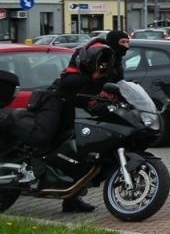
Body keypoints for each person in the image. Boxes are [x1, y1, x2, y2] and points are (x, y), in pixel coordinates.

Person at [1, 38, 126, 212]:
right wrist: (94, 77)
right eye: (101, 64)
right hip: (54, 102)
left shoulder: (106, 70)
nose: (103, 67)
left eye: (106, 64)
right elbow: (71, 83)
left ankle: (71, 198)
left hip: (73, 111)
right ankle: (18, 126)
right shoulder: (75, 72)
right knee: (41, 135)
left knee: (82, 152)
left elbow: (115, 84)